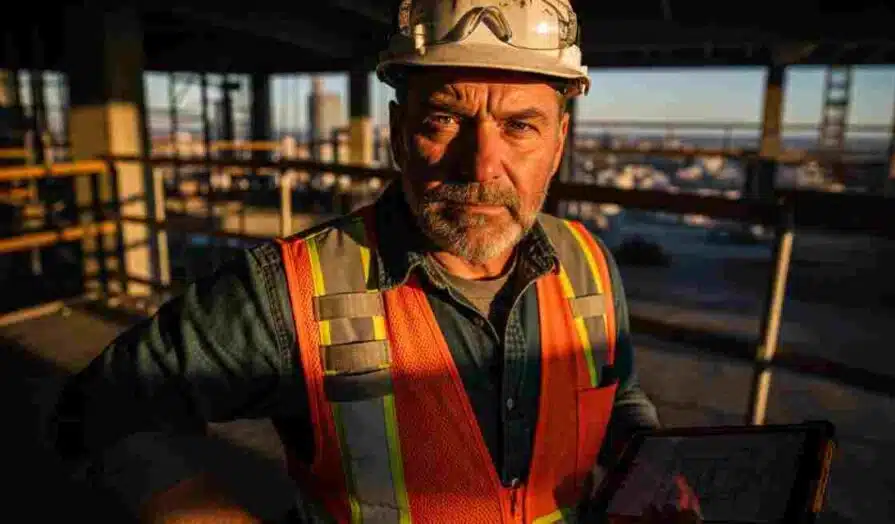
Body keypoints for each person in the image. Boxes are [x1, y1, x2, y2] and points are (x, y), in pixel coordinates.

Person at [48, 1, 691, 522]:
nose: (480, 165)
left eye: (520, 126)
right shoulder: (290, 293)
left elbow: (617, 393)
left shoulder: (590, 264)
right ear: (395, 132)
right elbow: (103, 411)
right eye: (444, 119)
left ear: (559, 144)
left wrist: (651, 473)